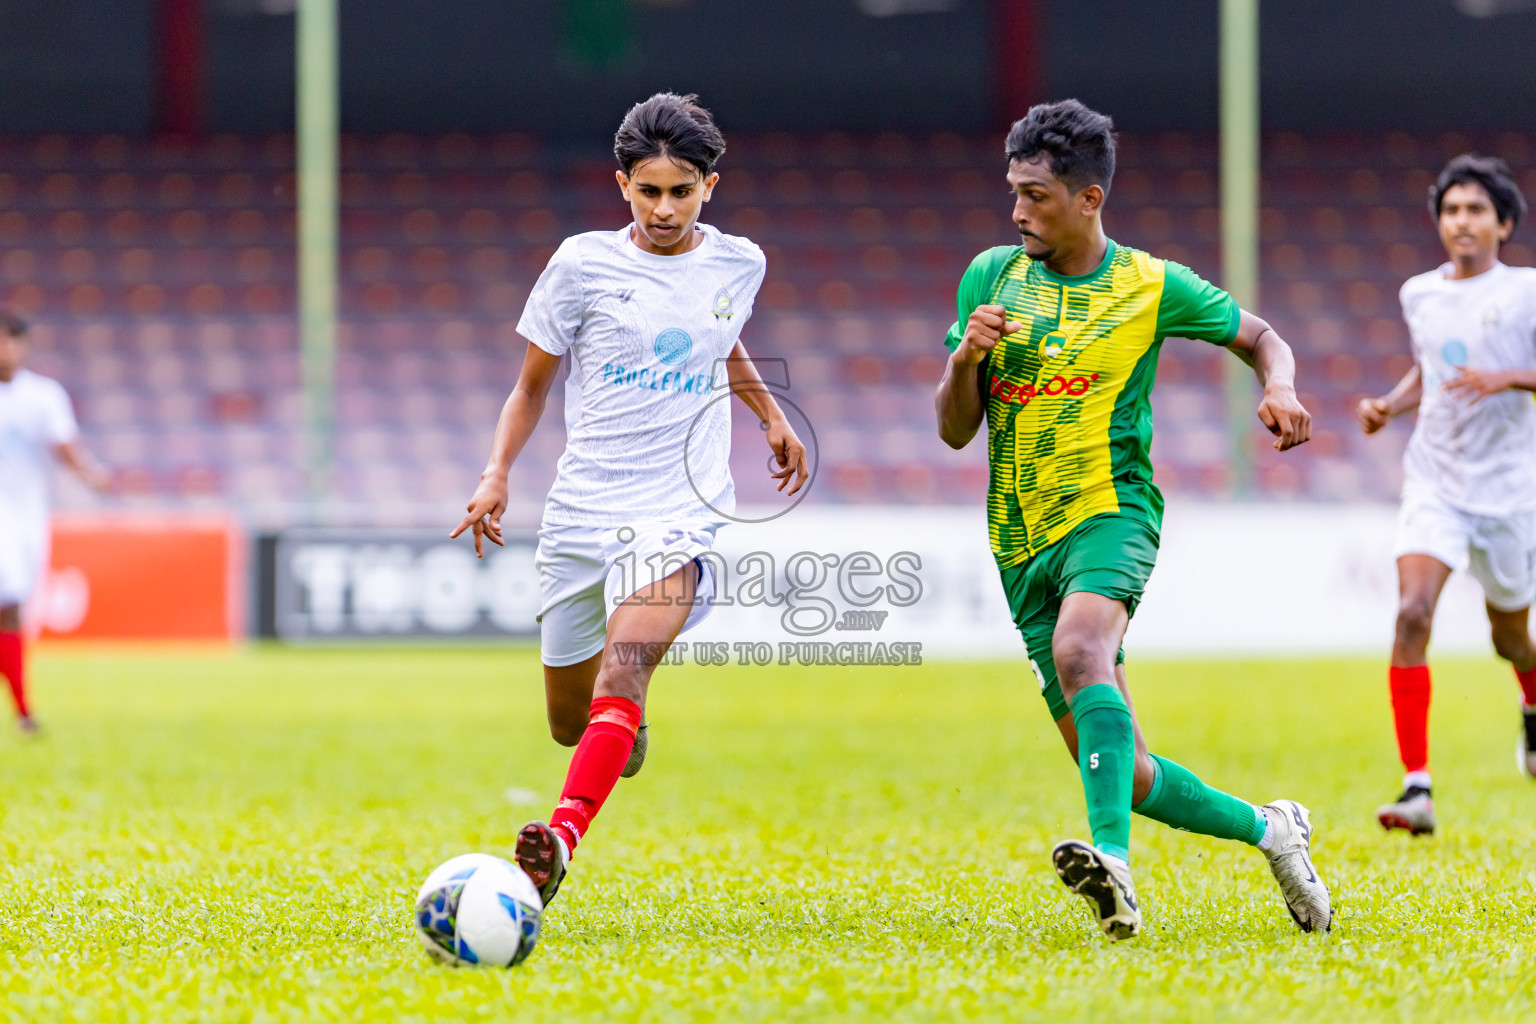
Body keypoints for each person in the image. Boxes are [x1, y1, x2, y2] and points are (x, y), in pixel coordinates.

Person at [933, 100, 1332, 939]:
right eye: (1013, 192)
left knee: (1085, 650)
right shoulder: (990, 276)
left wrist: (1281, 386)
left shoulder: (1152, 285)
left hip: (1111, 511)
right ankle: (1274, 830)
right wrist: (966, 358)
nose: (1017, 211)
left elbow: (1263, 337)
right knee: (1123, 764)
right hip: (1016, 536)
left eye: (1035, 195)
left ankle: (1112, 866)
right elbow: (955, 427)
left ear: (1089, 199)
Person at [451, 93, 808, 906]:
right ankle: (620, 730)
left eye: (681, 191)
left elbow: (721, 337)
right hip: (582, 511)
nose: (664, 209)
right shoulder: (580, 264)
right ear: (622, 186)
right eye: (648, 191)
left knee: (625, 669)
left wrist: (770, 416)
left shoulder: (739, 262)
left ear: (708, 188)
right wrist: (496, 471)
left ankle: (561, 837)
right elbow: (531, 386)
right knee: (570, 723)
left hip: (679, 510)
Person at [1358, 154, 1536, 836]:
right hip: (1435, 479)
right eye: (1451, 210)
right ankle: (1417, 789)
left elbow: (1501, 374)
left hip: (1510, 492)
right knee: (1410, 613)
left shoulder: (1524, 292)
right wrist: (1390, 406)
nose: (1461, 221)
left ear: (1504, 224)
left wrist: (1509, 378)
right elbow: (1429, 371)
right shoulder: (1419, 294)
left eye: (1475, 210)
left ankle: (1531, 706)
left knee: (1513, 638)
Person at [0, 308, 110, 732]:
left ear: (23, 345)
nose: (3, 349)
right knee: (7, 599)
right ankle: (25, 711)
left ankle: (22, 707)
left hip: (28, 513)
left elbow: (63, 445)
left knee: (14, 606)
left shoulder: (43, 395)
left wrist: (89, 475)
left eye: (10, 340)